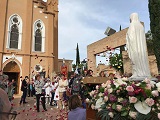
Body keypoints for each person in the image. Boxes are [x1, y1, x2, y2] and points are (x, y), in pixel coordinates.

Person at [126, 13, 151, 79]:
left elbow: (131, 36)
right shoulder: (141, 26)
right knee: (142, 59)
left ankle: (137, 73)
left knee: (135, 59)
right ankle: (144, 72)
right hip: (141, 48)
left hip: (135, 47)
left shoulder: (132, 25)